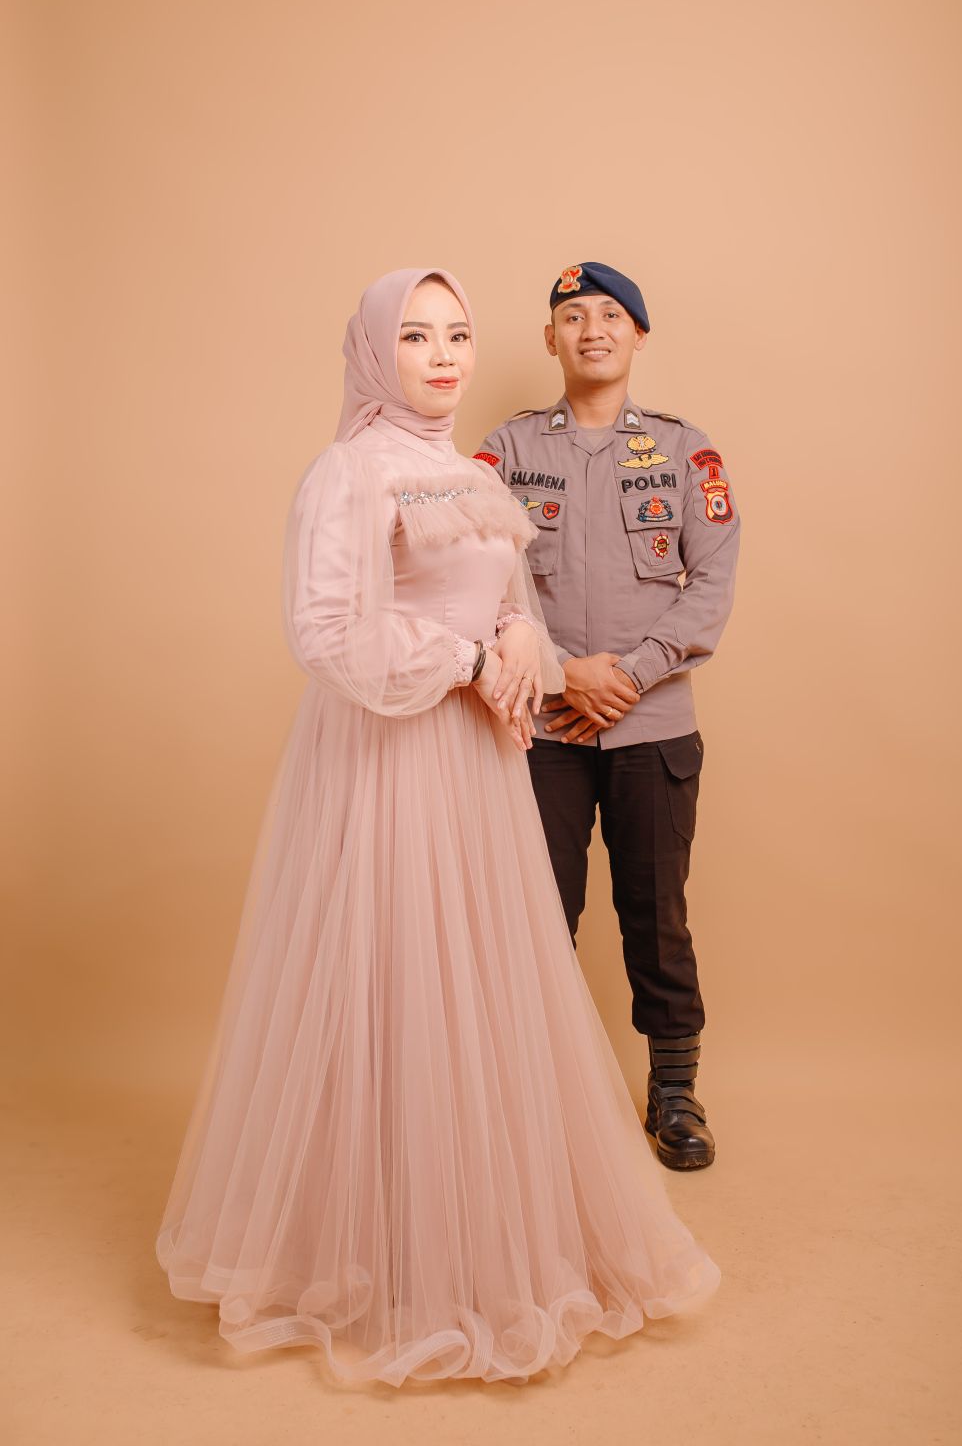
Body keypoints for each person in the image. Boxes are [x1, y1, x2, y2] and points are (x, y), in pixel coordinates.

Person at [155, 266, 719, 1388]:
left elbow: (508, 597)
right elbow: (325, 631)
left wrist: (516, 638)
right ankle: (372, 1245)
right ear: (375, 352)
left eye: (457, 333)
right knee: (391, 976)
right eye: (416, 336)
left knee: (476, 981)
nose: (445, 355)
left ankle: (476, 1229)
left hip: (475, 761)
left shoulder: (464, 471)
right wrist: (468, 657)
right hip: (388, 760)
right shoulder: (349, 471)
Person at [475, 262, 740, 1172]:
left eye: (610, 316)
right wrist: (561, 675)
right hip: (539, 728)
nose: (592, 330)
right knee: (533, 917)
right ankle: (532, 1092)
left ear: (637, 336)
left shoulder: (684, 452)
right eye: (573, 316)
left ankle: (674, 1090)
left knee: (655, 918)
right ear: (549, 339)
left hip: (651, 729)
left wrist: (625, 678)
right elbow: (471, 579)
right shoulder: (505, 450)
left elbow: (710, 584)